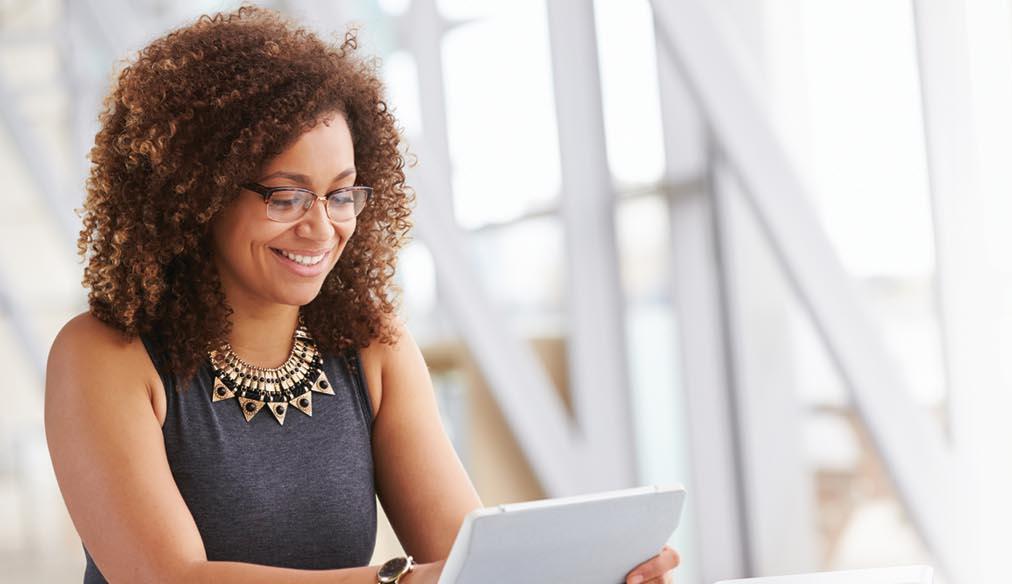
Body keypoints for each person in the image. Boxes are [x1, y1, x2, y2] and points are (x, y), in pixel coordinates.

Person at [44, 6, 681, 583]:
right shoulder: (104, 355)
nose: (321, 227)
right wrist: (394, 583)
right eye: (285, 195)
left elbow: (469, 564)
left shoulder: (372, 346)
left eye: (341, 193)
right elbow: (170, 580)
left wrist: (583, 575)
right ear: (196, 195)